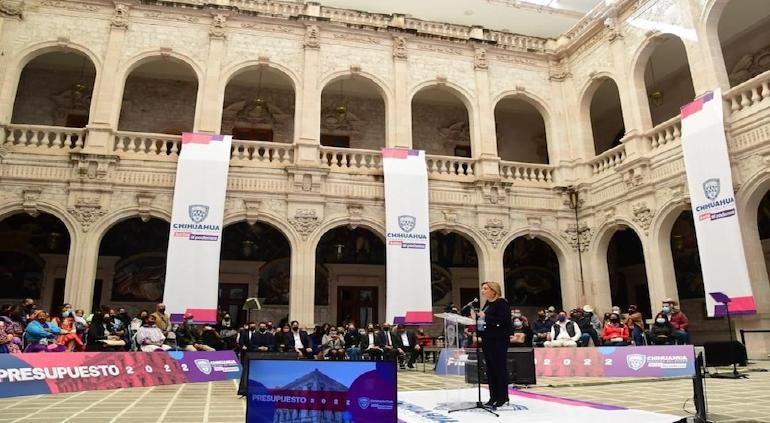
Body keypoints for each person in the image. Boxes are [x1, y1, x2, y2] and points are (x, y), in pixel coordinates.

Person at [471, 281, 511, 409]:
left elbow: (503, 321)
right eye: (482, 289)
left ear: (493, 291)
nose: (482, 291)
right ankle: (493, 396)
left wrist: (485, 316)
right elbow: (484, 321)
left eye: (485, 289)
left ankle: (502, 397)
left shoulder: (501, 303)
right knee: (490, 369)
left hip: (499, 340)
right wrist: (476, 318)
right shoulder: (487, 304)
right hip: (487, 339)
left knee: (499, 367)